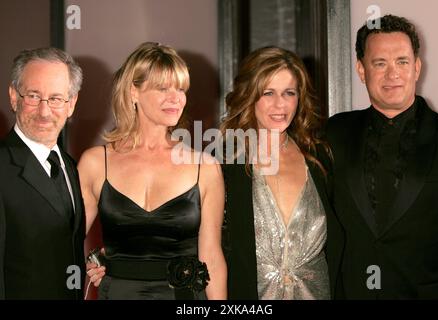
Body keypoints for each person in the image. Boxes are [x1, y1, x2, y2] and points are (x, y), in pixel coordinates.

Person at [78, 42, 227, 299]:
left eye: (181, 89)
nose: (176, 98)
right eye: (162, 88)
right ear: (133, 92)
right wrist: (91, 260)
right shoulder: (95, 163)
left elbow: (211, 257)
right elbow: (65, 243)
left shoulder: (206, 167)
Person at [326, 14, 438, 299]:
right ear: (361, 69)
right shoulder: (333, 132)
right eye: (379, 63)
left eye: (402, 62)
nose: (392, 74)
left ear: (417, 68)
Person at [220, 46, 344, 299]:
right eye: (268, 93)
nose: (280, 104)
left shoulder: (320, 158)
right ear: (249, 96)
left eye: (289, 92)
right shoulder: (224, 163)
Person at [0, 47, 85, 299]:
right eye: (34, 96)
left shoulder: (69, 166)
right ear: (14, 97)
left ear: (71, 104)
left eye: (56, 99)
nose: (45, 111)